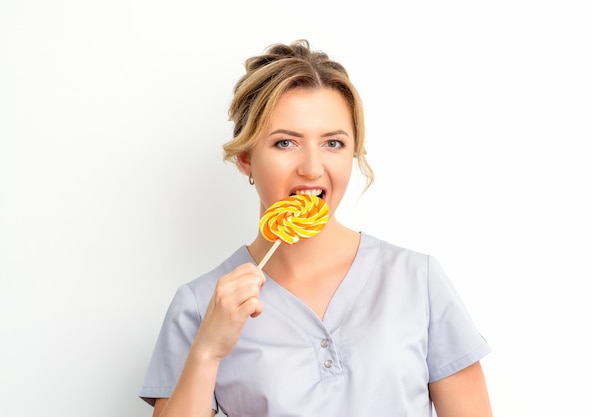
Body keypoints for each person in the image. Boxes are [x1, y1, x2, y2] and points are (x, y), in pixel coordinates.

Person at [139, 39, 493, 417]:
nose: (311, 167)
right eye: (286, 142)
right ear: (245, 158)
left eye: (333, 143)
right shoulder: (202, 304)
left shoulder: (417, 279)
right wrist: (207, 350)